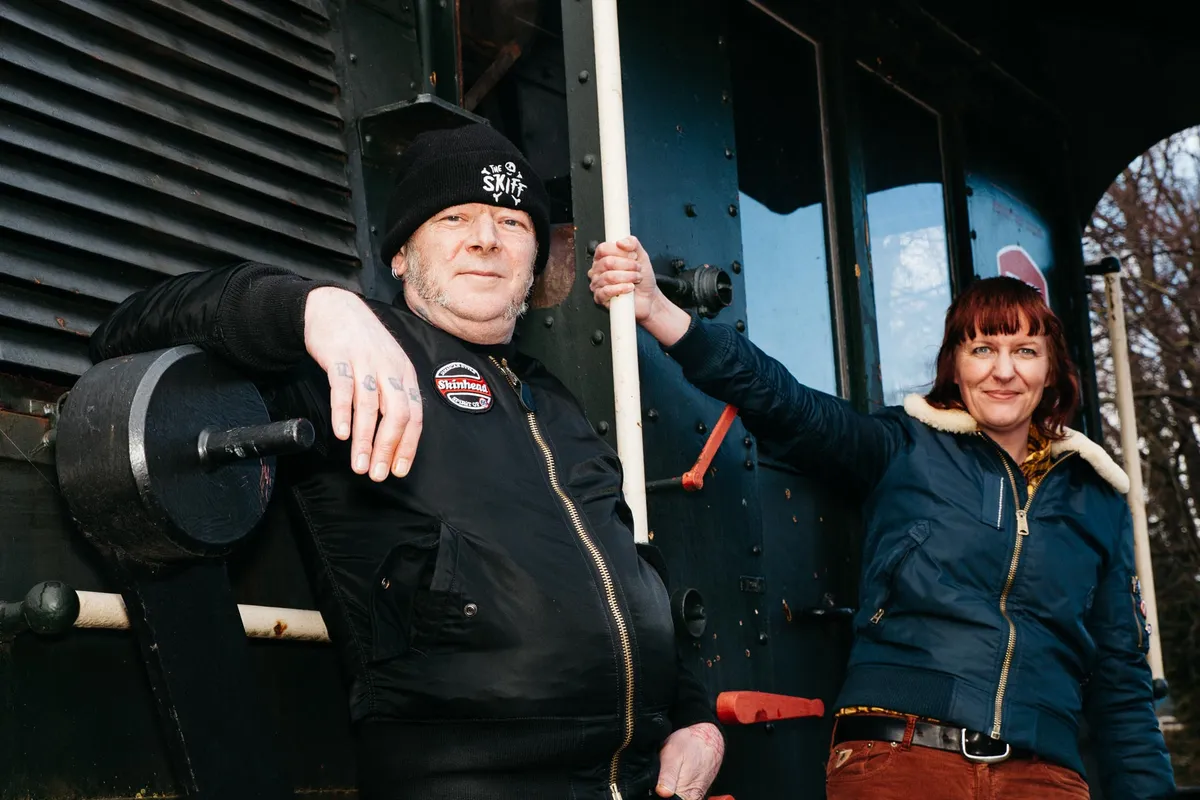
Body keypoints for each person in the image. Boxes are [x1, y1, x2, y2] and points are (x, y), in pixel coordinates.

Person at [87, 124, 724, 800]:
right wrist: (312, 308)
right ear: (399, 255)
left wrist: (695, 719)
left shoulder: (560, 404)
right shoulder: (348, 358)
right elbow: (124, 330)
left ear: (534, 262)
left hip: (640, 780)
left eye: (512, 222)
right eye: (454, 218)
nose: (486, 238)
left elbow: (630, 576)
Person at [588, 236, 1175, 799]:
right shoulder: (902, 446)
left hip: (1043, 776)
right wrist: (660, 311)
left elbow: (1122, 684)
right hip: (902, 757)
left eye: (1025, 351)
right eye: (982, 349)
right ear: (955, 365)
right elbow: (786, 403)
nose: (1003, 371)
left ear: (1051, 370)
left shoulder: (1096, 498)